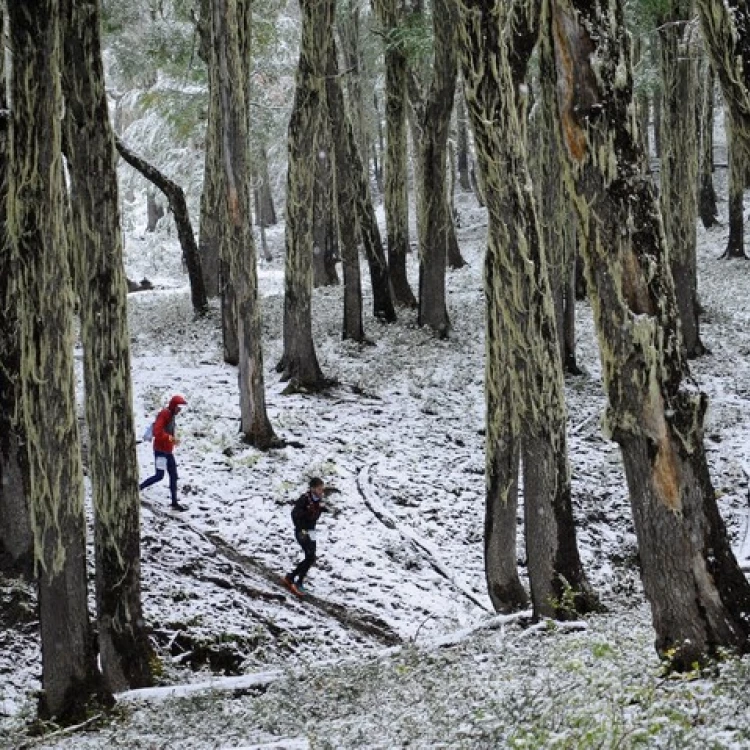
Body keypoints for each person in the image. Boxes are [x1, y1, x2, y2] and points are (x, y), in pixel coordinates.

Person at [139, 394, 187, 511]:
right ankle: (138, 488)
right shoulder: (164, 414)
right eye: (178, 408)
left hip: (168, 451)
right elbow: (157, 432)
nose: (180, 410)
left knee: (174, 476)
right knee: (159, 476)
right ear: (173, 406)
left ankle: (174, 503)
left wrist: (172, 441)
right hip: (160, 451)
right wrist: (170, 439)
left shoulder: (171, 415)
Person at [283, 477, 329, 596]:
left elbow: (315, 512)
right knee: (309, 555)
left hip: (312, 530)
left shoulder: (319, 500)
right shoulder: (304, 499)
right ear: (313, 488)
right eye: (319, 489)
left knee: (312, 556)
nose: (321, 491)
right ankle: (296, 581)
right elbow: (295, 514)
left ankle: (292, 577)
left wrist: (322, 509)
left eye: (322, 489)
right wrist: (301, 526)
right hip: (302, 530)